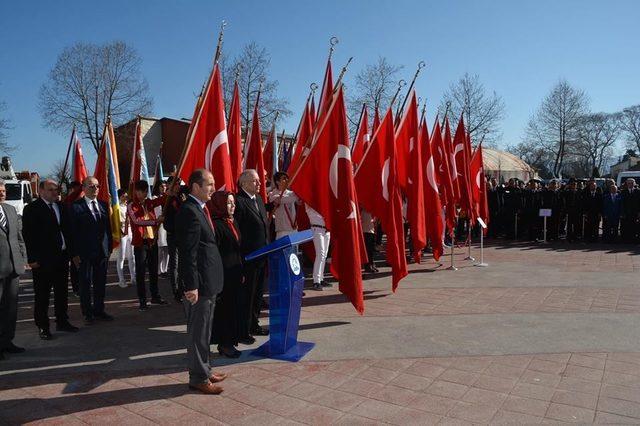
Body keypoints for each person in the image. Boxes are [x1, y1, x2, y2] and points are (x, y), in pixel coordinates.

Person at [176, 169, 226, 394]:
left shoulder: (201, 209)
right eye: (210, 184)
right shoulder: (189, 211)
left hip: (209, 280)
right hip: (200, 284)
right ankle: (197, 377)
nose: (214, 188)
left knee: (205, 330)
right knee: (197, 332)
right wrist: (191, 285)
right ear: (196, 186)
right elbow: (188, 253)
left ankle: (205, 370)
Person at [22, 179, 78, 340]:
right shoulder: (32, 209)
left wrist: (72, 253)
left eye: (57, 189)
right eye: (51, 189)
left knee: (61, 292)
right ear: (41, 191)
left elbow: (68, 231)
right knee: (42, 295)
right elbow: (28, 236)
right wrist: (32, 259)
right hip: (43, 260)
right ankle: (43, 326)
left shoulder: (61, 206)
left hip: (61, 257)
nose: (55, 192)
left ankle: (62, 321)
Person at [68, 176, 113, 324]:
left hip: (102, 252)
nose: (95, 189)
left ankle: (99, 310)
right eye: (91, 186)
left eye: (97, 186)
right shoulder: (76, 207)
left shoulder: (103, 205)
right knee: (85, 284)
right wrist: (73, 254)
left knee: (100, 283)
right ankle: (87, 314)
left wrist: (109, 247)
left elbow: (108, 229)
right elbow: (72, 232)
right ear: (84, 188)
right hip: (84, 253)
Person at [234, 169, 270, 342]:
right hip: (248, 258)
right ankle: (243, 330)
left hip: (262, 256)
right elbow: (237, 231)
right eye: (255, 181)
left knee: (257, 295)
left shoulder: (259, 200)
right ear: (244, 183)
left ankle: (254, 324)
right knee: (246, 297)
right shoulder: (239, 202)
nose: (259, 184)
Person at [208, 191, 243, 358]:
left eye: (233, 202)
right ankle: (224, 344)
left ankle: (230, 341)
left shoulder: (232, 221)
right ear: (220, 204)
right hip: (223, 275)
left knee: (233, 309)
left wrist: (241, 270)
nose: (233, 206)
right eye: (229, 203)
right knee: (224, 311)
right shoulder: (215, 225)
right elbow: (215, 254)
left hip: (235, 272)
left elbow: (237, 249)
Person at [127, 180, 167, 310]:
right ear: (136, 191)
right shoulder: (131, 205)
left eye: (144, 191)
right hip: (140, 243)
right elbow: (136, 221)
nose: (142, 194)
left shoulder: (149, 202)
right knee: (141, 272)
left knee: (153, 269)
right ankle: (142, 300)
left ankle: (155, 296)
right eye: (140, 191)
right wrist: (155, 221)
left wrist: (169, 193)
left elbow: (161, 201)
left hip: (151, 241)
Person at [0, 179, 27, 359]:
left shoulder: (10, 209)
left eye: (3, 190)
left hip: (13, 266)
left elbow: (19, 237)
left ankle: (7, 341)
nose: (2, 192)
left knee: (10, 308)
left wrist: (23, 259)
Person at [163, 178, 184, 302]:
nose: (177, 186)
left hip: (183, 235)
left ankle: (182, 288)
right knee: (174, 264)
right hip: (172, 234)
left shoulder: (182, 196)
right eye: (174, 184)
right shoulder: (166, 199)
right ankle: (176, 291)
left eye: (178, 184)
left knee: (183, 263)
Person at [63, 180, 83, 296]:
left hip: (82, 239)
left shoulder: (80, 202)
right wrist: (82, 186)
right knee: (75, 266)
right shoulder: (69, 201)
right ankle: (76, 288)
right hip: (72, 239)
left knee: (81, 265)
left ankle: (80, 286)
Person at [267, 172, 299, 239]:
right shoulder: (272, 194)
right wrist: (283, 198)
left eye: (287, 178)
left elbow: (297, 200)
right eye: (284, 178)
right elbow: (279, 199)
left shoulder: (292, 193)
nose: (287, 180)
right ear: (277, 182)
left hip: (294, 229)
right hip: (282, 230)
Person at [307, 204, 330, 290]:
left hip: (326, 229)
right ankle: (316, 281)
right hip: (317, 229)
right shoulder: (310, 203)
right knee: (320, 253)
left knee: (324, 255)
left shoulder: (323, 202)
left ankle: (321, 278)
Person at [115, 189, 135, 289]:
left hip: (130, 231)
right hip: (122, 232)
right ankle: (121, 280)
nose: (126, 198)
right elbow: (116, 221)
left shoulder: (129, 206)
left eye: (126, 196)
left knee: (131, 256)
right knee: (121, 257)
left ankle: (133, 277)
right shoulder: (117, 207)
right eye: (124, 196)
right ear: (120, 196)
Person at [154, 181, 169, 277]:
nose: (163, 188)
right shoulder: (155, 198)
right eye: (161, 186)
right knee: (160, 248)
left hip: (168, 224)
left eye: (165, 186)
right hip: (160, 225)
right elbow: (156, 212)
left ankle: (165, 269)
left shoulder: (168, 198)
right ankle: (159, 269)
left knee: (167, 249)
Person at [620, 178, 639, 243]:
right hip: (626, 213)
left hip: (635, 213)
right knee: (626, 226)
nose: (630, 184)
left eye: (631, 183)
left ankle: (634, 239)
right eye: (629, 183)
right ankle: (627, 239)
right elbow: (622, 203)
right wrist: (622, 213)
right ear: (627, 184)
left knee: (635, 226)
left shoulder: (638, 191)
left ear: (634, 184)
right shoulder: (623, 192)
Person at [361, 209, 378, 273]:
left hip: (371, 228)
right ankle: (367, 265)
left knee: (371, 248)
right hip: (366, 228)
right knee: (367, 248)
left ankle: (371, 263)